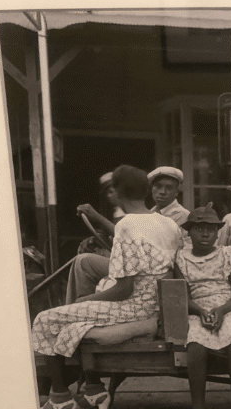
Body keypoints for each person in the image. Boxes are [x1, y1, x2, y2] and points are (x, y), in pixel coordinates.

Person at [31, 165, 183, 409]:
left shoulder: (126, 226)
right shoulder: (167, 224)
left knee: (44, 320)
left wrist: (87, 300)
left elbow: (124, 290)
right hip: (155, 303)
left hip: (134, 307)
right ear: (146, 191)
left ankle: (60, 396)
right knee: (76, 320)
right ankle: (94, 389)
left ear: (118, 191)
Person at [65, 166, 189, 303]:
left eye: (169, 188)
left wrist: (98, 218)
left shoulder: (180, 216)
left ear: (177, 192)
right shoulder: (153, 213)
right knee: (83, 260)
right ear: (150, 189)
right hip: (143, 273)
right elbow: (136, 245)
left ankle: (79, 304)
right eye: (158, 186)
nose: (162, 192)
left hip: (150, 280)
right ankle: (77, 304)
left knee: (84, 265)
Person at [176, 203, 231, 409]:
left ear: (218, 233)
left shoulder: (227, 254)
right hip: (197, 308)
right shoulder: (181, 258)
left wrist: (221, 310)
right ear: (189, 232)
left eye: (211, 229)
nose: (205, 233)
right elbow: (182, 296)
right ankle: (198, 404)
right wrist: (200, 312)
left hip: (229, 306)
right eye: (199, 228)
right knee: (196, 344)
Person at [76, 172, 124, 257]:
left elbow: (123, 235)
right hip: (116, 253)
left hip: (124, 258)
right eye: (106, 193)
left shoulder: (129, 211)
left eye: (111, 192)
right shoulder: (116, 212)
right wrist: (98, 237)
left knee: (85, 260)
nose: (108, 196)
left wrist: (96, 216)